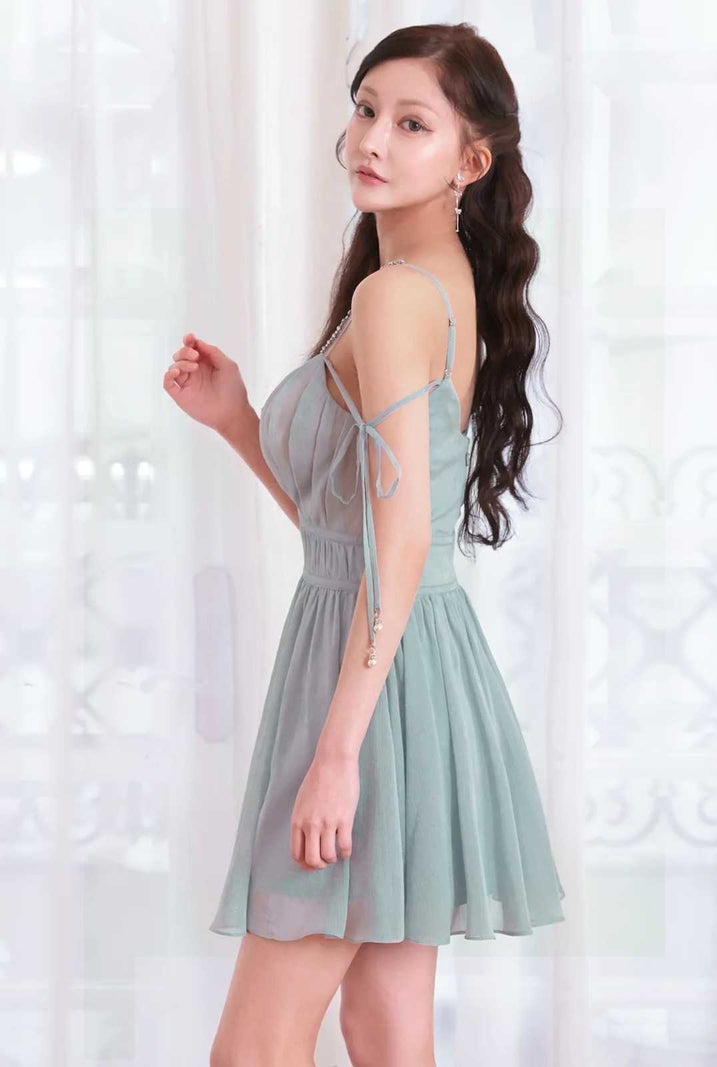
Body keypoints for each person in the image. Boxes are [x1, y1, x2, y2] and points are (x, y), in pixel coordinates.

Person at [164, 21, 565, 1067]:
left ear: (469, 161)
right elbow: (356, 529)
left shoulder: (396, 297)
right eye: (365, 109)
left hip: (369, 686)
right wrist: (240, 424)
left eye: (412, 123)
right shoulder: (427, 283)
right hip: (405, 664)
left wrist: (337, 753)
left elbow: (401, 540)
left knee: (253, 1047)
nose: (372, 139)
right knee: (386, 1028)